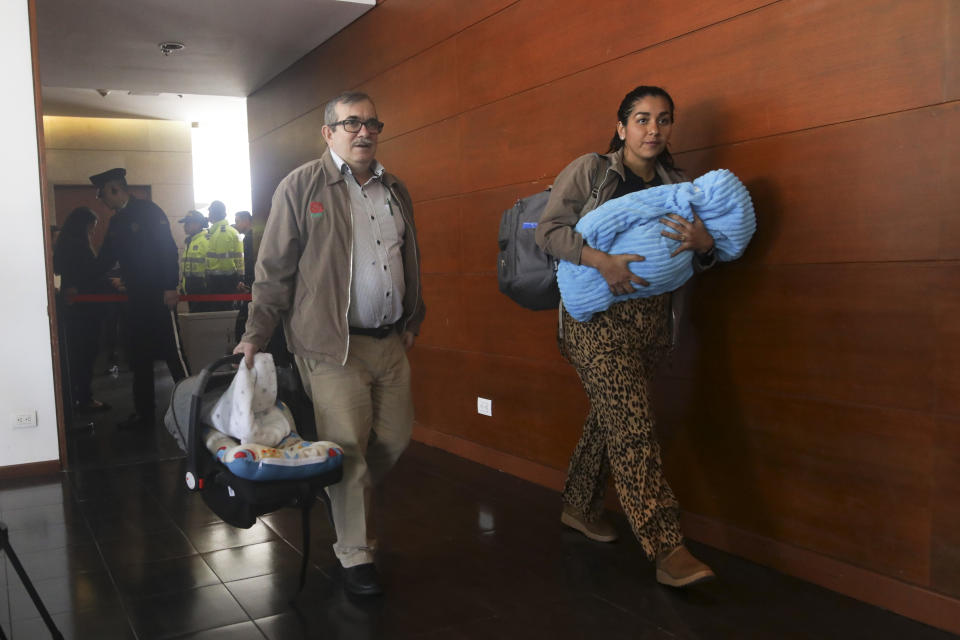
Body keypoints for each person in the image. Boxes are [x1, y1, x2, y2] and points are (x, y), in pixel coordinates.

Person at [234, 91, 426, 596]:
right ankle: (355, 554)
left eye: (372, 123)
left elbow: (408, 259)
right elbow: (273, 268)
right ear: (328, 132)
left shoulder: (394, 189)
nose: (364, 132)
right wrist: (255, 333)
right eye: (351, 123)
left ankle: (340, 492)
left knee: (394, 439)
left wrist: (413, 317)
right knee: (350, 451)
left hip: (388, 340)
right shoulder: (301, 186)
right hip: (329, 346)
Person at [536, 86, 717, 588]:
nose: (653, 129)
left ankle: (578, 504)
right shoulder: (592, 171)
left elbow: (693, 257)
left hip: (653, 324)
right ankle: (666, 547)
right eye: (641, 119)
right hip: (594, 320)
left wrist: (705, 246)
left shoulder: (679, 183)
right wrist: (602, 262)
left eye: (663, 120)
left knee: (612, 416)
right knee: (633, 425)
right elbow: (547, 230)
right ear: (621, 127)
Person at [90, 168, 189, 430]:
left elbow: (167, 250)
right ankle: (144, 412)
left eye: (102, 195)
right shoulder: (118, 220)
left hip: (158, 294)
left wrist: (170, 287)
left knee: (172, 353)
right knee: (139, 355)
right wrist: (83, 275)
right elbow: (107, 258)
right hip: (135, 297)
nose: (102, 201)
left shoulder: (148, 211)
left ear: (115, 189)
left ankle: (194, 406)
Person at [53, 207, 111, 413]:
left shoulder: (64, 245)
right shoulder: (78, 247)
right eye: (91, 228)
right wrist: (112, 284)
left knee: (77, 356)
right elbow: (91, 275)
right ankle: (84, 398)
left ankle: (76, 397)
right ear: (83, 226)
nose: (93, 233)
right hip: (86, 311)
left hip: (74, 311)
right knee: (86, 355)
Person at [204, 200, 244, 310]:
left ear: (214, 214)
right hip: (227, 281)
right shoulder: (228, 231)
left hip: (222, 282)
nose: (209, 215)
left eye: (210, 212)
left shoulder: (221, 233)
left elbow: (225, 261)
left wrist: (234, 280)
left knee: (221, 314)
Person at [179, 210, 209, 312]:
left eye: (188, 223)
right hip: (191, 291)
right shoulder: (191, 241)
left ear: (198, 224)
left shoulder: (205, 240)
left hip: (203, 292)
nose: (185, 226)